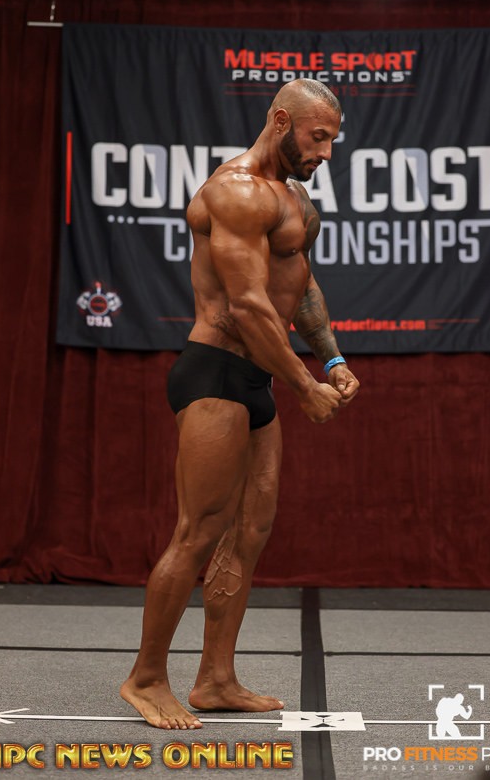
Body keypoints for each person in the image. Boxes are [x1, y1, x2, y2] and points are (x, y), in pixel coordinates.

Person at [121, 78, 360, 729]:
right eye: (318, 138)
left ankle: (215, 679)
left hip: (257, 382)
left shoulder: (295, 199)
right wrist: (304, 387)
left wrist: (332, 359)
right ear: (281, 121)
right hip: (215, 374)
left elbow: (299, 287)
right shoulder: (235, 191)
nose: (326, 153)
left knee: (250, 531)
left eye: (332, 142)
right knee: (197, 531)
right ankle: (146, 677)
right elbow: (248, 306)